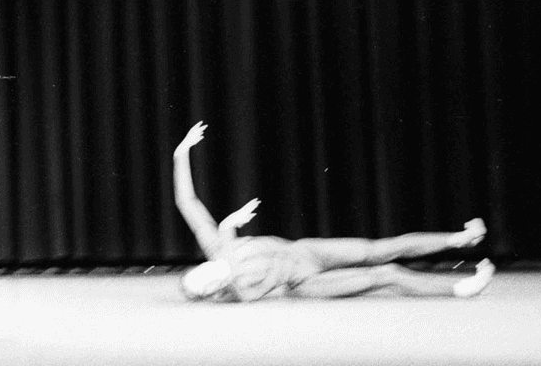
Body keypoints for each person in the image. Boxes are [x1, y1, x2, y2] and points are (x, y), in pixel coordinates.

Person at [172, 121, 496, 302]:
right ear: (214, 291)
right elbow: (236, 271)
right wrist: (230, 224)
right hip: (304, 283)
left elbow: (189, 204)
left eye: (201, 271)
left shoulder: (219, 250)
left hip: (306, 252)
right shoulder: (237, 290)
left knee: (378, 249)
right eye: (206, 283)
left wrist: (180, 153)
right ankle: (459, 289)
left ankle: (460, 238)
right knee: (384, 275)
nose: (209, 272)